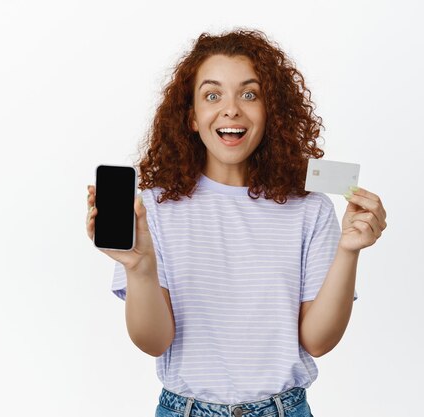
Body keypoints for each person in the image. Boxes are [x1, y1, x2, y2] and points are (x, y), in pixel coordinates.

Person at [86, 29, 387, 417]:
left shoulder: (309, 209)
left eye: (249, 94)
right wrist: (140, 267)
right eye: (213, 95)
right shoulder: (152, 209)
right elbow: (154, 342)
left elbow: (317, 341)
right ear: (191, 117)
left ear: (271, 112)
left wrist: (349, 251)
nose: (231, 109)